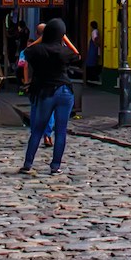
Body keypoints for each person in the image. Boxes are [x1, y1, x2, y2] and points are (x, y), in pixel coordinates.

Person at [19, 18, 81, 175]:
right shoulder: (64, 52)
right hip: (65, 92)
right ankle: (55, 166)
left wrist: (41, 38)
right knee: (61, 131)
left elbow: (26, 52)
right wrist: (64, 38)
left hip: (44, 92)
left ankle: (28, 163)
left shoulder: (37, 51)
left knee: (38, 129)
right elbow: (77, 55)